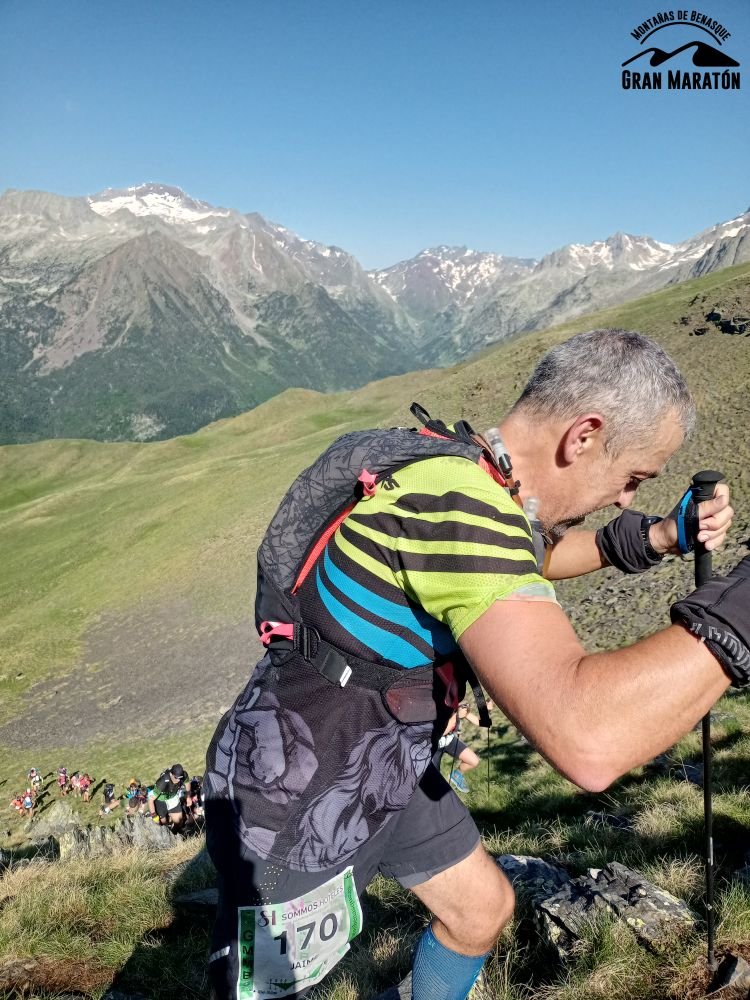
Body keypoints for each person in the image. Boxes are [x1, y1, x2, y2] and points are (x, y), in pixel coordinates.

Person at [204, 329, 742, 1000]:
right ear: (584, 436)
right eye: (633, 477)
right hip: (296, 790)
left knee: (480, 912)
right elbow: (590, 739)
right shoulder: (463, 513)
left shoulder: (466, 471)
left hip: (384, 757)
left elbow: (520, 554)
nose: (626, 498)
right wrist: (740, 613)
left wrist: (659, 537)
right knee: (267, 990)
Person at [434, 704, 482, 793]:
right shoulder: (437, 707)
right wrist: (457, 716)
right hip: (434, 744)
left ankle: (456, 775)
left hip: (449, 740)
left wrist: (486, 709)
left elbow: (482, 722)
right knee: (433, 781)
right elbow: (441, 732)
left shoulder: (455, 706)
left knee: (473, 761)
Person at [148, 764, 187, 829]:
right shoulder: (162, 782)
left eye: (180, 778)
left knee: (179, 822)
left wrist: (188, 794)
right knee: (163, 824)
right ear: (171, 774)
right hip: (160, 799)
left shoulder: (184, 775)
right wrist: (154, 816)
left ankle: (175, 833)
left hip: (172, 797)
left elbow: (187, 782)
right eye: (176, 778)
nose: (178, 780)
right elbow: (150, 800)